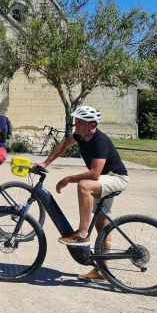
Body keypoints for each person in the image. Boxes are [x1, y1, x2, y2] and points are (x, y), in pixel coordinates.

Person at [35, 105, 129, 282]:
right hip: (103, 180)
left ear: (91, 125)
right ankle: (102, 270)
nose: (75, 125)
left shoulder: (100, 141)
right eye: (75, 121)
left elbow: (94, 174)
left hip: (116, 178)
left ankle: (83, 233)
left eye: (79, 122)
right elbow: (63, 145)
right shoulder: (80, 135)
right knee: (102, 225)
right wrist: (45, 163)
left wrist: (67, 179)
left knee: (84, 185)